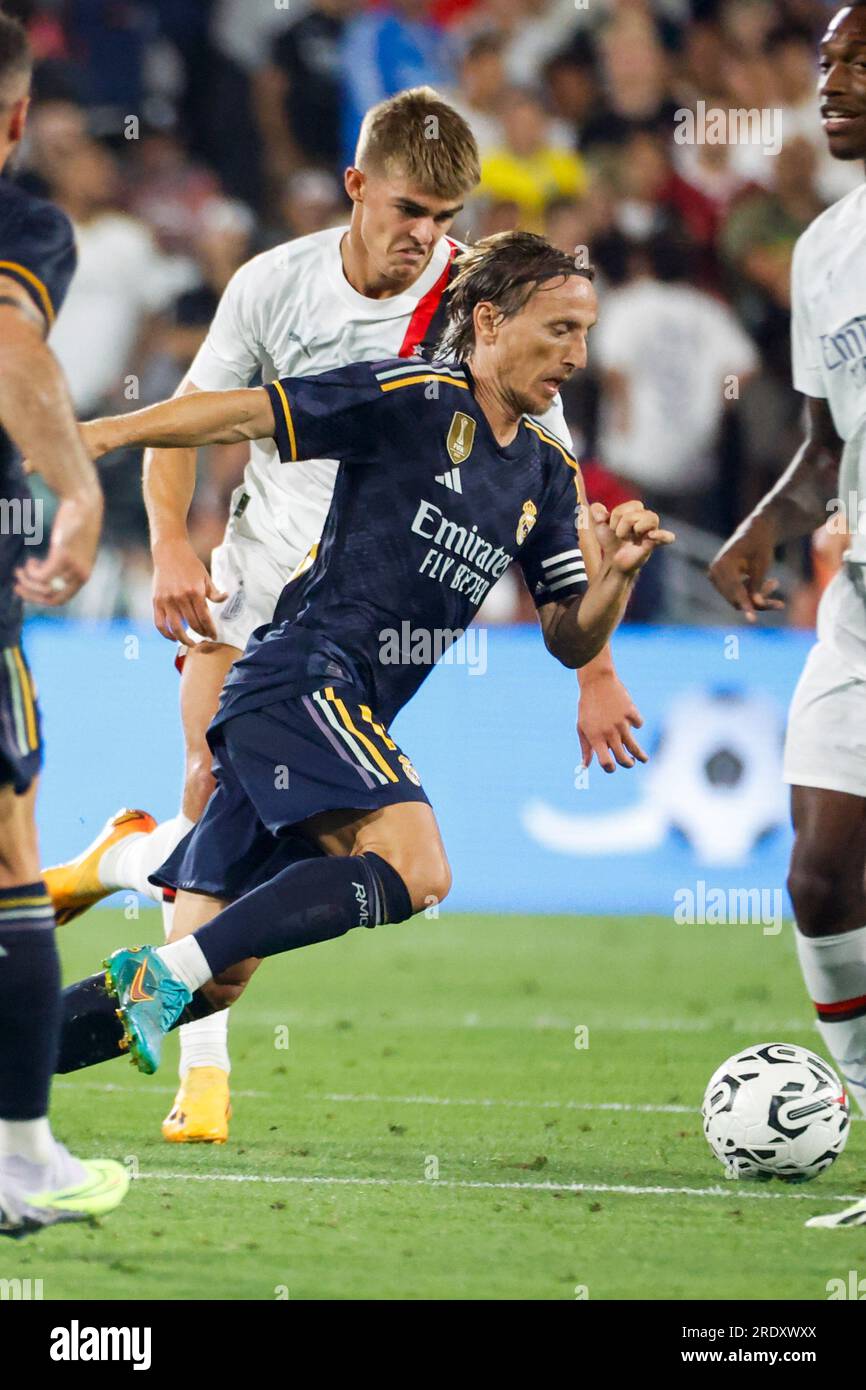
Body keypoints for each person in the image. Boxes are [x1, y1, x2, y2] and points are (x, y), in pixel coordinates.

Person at [45, 87, 646, 1145]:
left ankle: (71, 1012)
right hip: (286, 659)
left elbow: (565, 633)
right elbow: (234, 410)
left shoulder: (541, 458)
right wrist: (104, 441)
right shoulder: (399, 380)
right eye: (561, 332)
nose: (575, 358)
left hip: (346, 695)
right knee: (416, 868)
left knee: (218, 974)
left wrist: (612, 590)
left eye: (584, 334)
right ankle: (173, 1002)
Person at [708, 1, 866, 1231]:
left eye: (858, 60)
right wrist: (766, 515)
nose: (834, 80)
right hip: (857, 613)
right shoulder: (821, 248)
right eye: (824, 62)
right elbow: (822, 438)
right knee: (818, 873)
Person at [0, 12, 127, 1236]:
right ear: (17, 119)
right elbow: (4, 338)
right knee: (7, 848)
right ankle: (22, 1160)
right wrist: (79, 492)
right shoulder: (22, 226)